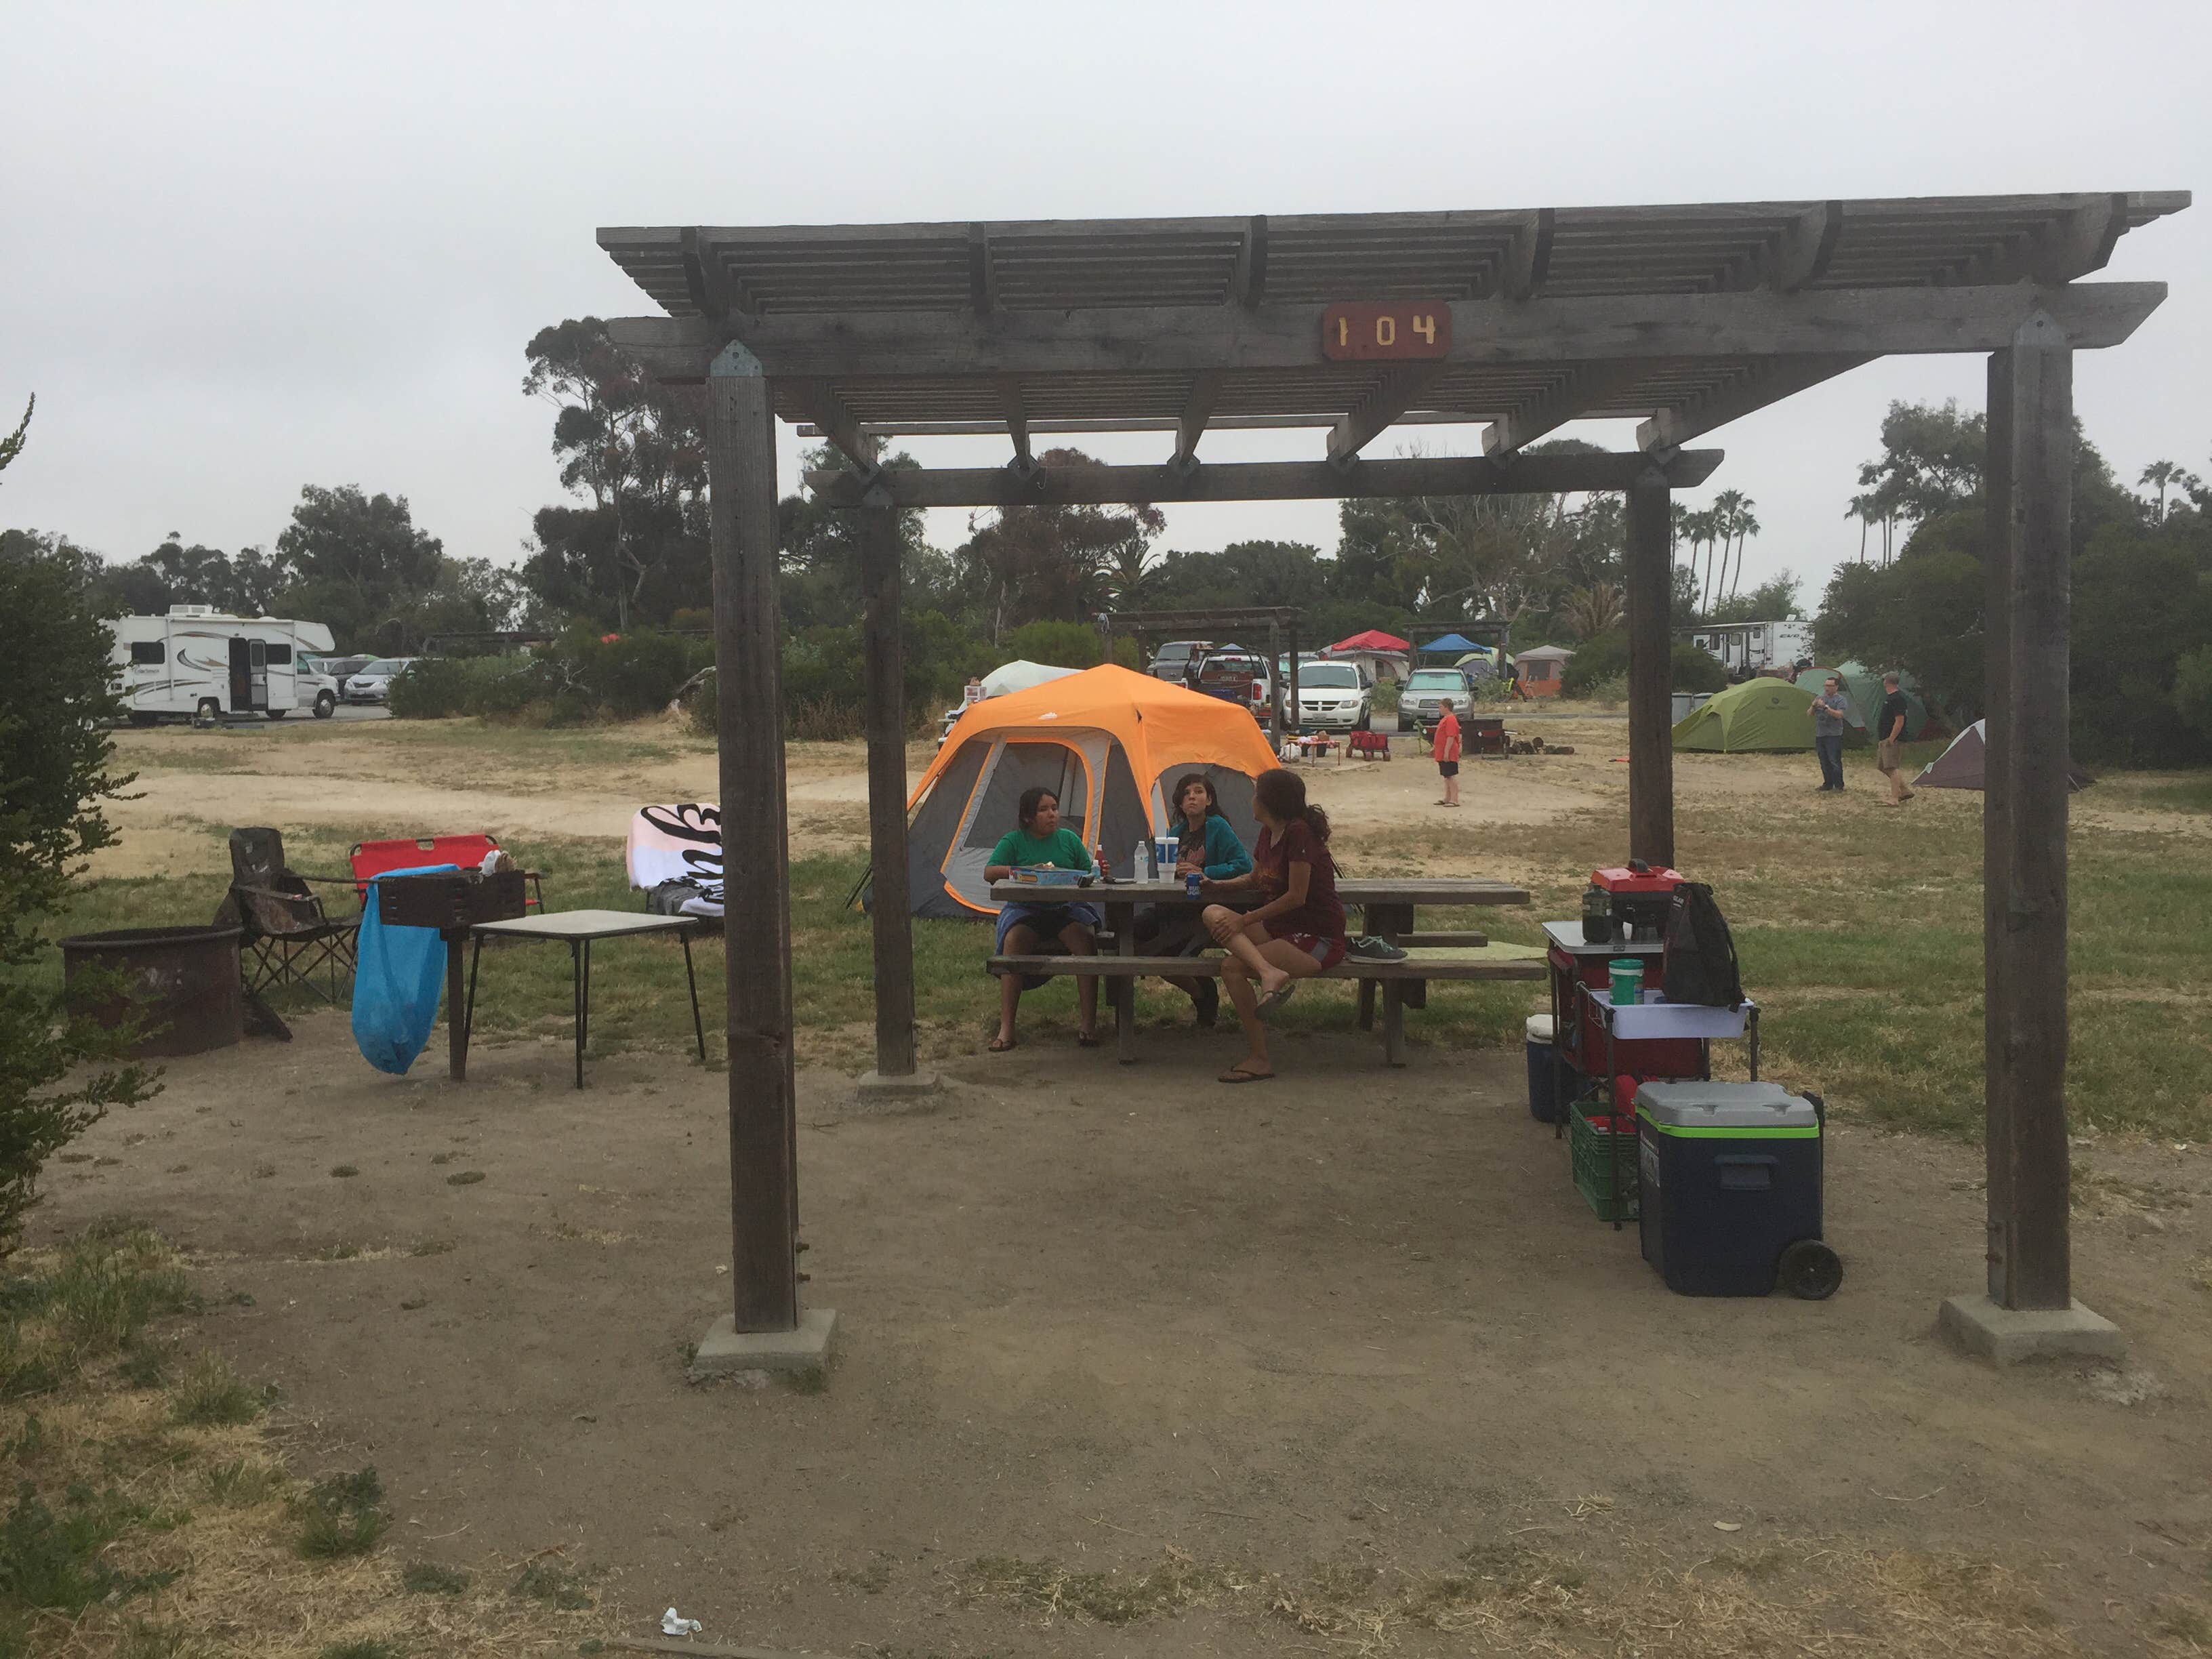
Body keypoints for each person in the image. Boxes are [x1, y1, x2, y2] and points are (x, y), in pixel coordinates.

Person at [1200, 769, 1347, 1084]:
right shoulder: (1269, 832)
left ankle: (1259, 1058)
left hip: (1315, 935)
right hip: (1279, 929)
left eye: (1256, 794)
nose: (1251, 800)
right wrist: (1216, 886)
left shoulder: (1299, 834)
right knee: (1212, 912)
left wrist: (1245, 919)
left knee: (1232, 968)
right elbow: (1255, 878)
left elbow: (1297, 896)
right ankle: (1269, 972)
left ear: (1270, 801)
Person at [983, 786, 1100, 1051]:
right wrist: (1023, 871)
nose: (1052, 815)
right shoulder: (1013, 841)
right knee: (1013, 942)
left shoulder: (1069, 839)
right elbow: (989, 872)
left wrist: (1095, 871)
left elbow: (1087, 871)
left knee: (1086, 941)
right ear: (1028, 817)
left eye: (1055, 809)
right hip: (1027, 909)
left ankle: (1088, 1025)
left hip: (1064, 908)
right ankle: (1007, 1028)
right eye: (1044, 810)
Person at [1134, 773, 1253, 1027]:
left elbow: (1244, 865)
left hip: (1204, 910)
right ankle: (1200, 989)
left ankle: (1203, 992)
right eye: (1187, 793)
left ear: (1209, 799)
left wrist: (1205, 873)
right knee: (1131, 934)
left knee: (1160, 949)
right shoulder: (1174, 833)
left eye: (1199, 792)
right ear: (1179, 802)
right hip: (1174, 906)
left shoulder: (1218, 826)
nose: (1192, 797)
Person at [1875, 672, 1916, 806]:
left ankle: (1894, 799)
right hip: (1884, 737)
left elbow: (1900, 721)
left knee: (1892, 767)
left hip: (1892, 739)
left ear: (1887, 681)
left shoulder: (1897, 698)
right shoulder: (1890, 698)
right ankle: (1904, 790)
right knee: (1883, 767)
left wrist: (1892, 739)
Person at [1811, 673, 1849, 792]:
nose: (1827, 688)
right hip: (1820, 734)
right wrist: (1813, 706)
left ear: (1836, 687)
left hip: (1833, 735)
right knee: (1823, 760)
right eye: (1826, 685)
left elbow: (1840, 715)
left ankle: (1839, 785)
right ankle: (1827, 783)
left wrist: (1826, 708)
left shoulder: (1840, 700)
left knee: (1834, 760)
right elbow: (1809, 714)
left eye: (1830, 686)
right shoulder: (1820, 698)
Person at [1431, 697, 1462, 807]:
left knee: (1451, 775)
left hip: (1449, 752)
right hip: (1442, 751)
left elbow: (1450, 736)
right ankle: (1447, 798)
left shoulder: (1451, 719)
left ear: (1446, 707)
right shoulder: (1445, 719)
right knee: (1446, 776)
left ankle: (1455, 799)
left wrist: (1446, 752)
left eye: (1440, 707)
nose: (1439, 709)